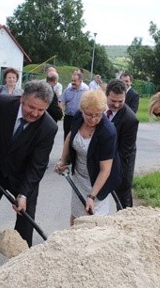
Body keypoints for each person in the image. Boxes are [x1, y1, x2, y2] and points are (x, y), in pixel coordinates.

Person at [0, 80, 58, 268]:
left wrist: (23, 194)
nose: (35, 113)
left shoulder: (48, 127)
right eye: (31, 107)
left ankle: (20, 260)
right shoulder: (1, 104)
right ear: (22, 98)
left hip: (23, 176)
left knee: (25, 218)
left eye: (41, 110)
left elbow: (38, 165)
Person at [55, 90, 122, 225]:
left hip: (98, 179)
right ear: (82, 110)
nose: (93, 119)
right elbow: (70, 136)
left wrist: (92, 196)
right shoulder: (79, 116)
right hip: (80, 175)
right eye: (89, 115)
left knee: (95, 219)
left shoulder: (107, 132)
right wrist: (63, 161)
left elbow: (105, 170)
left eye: (98, 115)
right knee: (76, 214)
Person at [105, 79, 139, 208]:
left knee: (123, 200)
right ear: (106, 95)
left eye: (121, 101)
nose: (117, 105)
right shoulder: (99, 108)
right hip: (101, 160)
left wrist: (106, 167)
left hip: (120, 164)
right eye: (113, 101)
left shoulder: (130, 120)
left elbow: (124, 153)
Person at [59, 70, 89, 139]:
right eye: (72, 80)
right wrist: (60, 112)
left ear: (80, 81)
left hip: (80, 118)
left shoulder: (86, 91)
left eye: (75, 81)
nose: (72, 83)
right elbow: (62, 103)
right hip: (68, 118)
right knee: (66, 137)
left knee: (76, 138)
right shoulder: (67, 90)